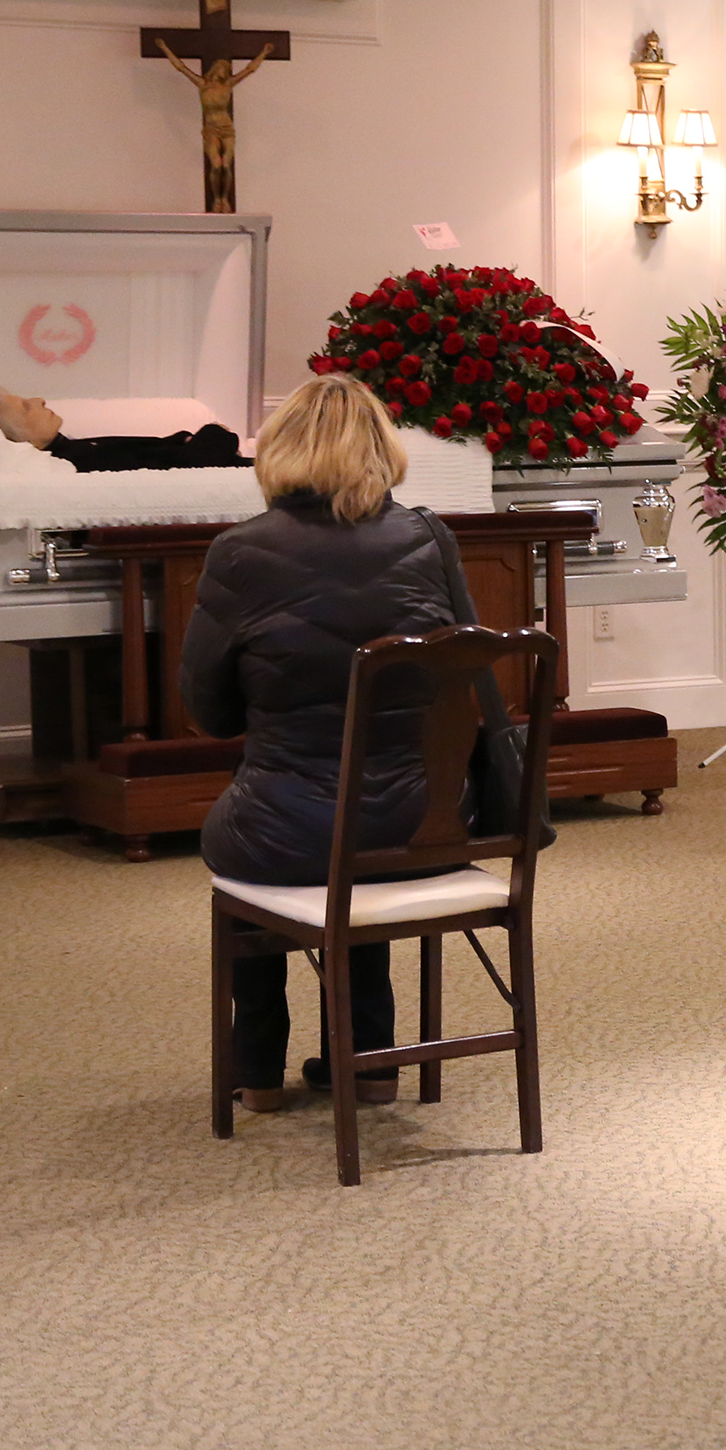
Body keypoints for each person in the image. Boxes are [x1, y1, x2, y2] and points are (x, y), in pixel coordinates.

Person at [182, 375, 463, 1115]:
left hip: (288, 827)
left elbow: (208, 713)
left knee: (265, 828)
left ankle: (260, 1068)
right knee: (357, 832)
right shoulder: (429, 537)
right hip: (420, 823)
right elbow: (459, 682)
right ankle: (369, 1060)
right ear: (382, 447)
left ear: (280, 452)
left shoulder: (239, 553)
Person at [0, 385, 243, 472]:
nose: (39, 400)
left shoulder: (71, 449)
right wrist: (216, 433)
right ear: (19, 440)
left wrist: (179, 439)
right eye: (25, 407)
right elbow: (188, 467)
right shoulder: (73, 462)